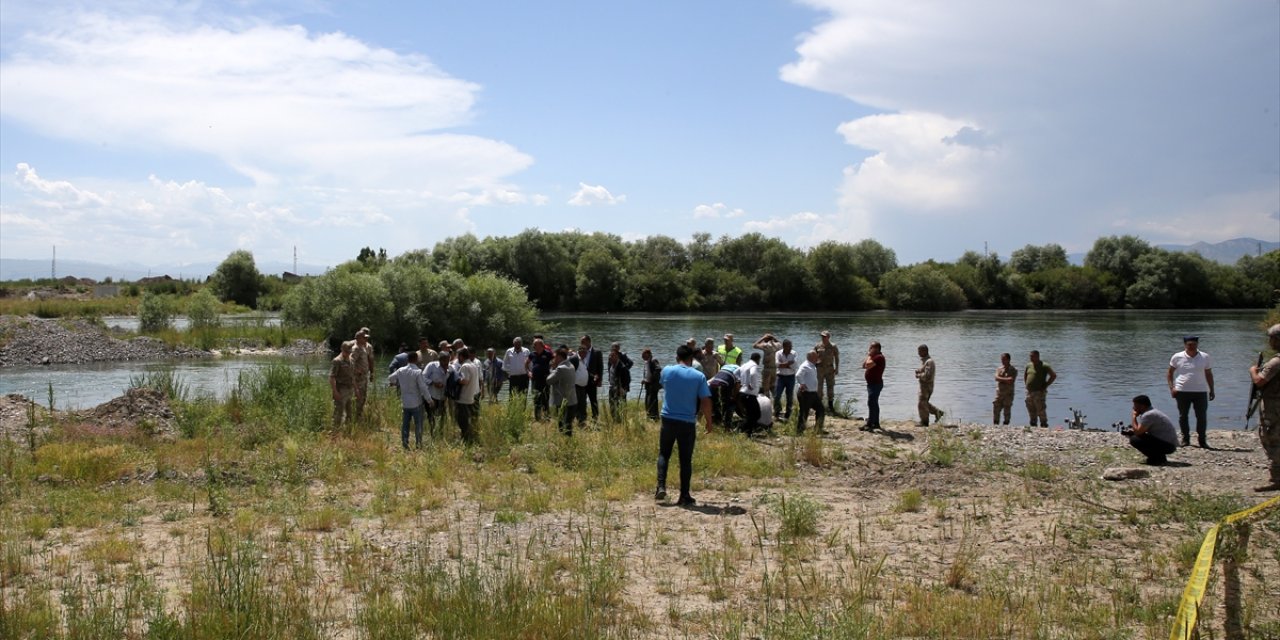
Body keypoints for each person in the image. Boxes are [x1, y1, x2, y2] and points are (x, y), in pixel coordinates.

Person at [655, 344, 712, 507]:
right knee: (685, 459)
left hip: (668, 418)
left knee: (664, 454)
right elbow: (706, 401)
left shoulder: (667, 370)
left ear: (676, 357)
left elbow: (663, 384)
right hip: (687, 422)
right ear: (692, 359)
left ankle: (660, 486)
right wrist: (709, 422)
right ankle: (684, 495)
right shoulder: (698, 376)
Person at [1247, 324, 1280, 492]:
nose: (1270, 342)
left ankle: (1277, 479)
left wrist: (1253, 371)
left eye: (1272, 338)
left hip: (1274, 407)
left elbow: (1260, 381)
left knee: (1271, 438)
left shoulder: (1276, 362)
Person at [1167, 336, 1215, 448]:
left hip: (1201, 390)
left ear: (1197, 344)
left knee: (1201, 416)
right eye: (1189, 344)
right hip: (1182, 390)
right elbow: (1169, 373)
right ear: (1185, 345)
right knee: (1183, 415)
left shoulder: (1205, 357)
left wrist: (1212, 389)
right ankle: (1185, 439)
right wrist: (1172, 387)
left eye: (1194, 344)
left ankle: (1202, 440)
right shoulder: (1177, 356)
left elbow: (1208, 374)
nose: (1191, 346)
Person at [388, 352, 431, 449]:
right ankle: (418, 444)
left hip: (405, 402)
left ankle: (405, 443)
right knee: (418, 424)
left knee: (405, 424)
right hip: (416, 402)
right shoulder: (417, 372)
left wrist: (396, 383)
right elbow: (423, 387)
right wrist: (429, 400)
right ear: (416, 359)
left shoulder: (400, 370)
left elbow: (390, 378)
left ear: (408, 359)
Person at [1127, 395, 1178, 465]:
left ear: (1142, 406)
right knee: (1135, 435)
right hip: (1168, 443)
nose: (1133, 408)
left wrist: (1134, 417)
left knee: (1134, 440)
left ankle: (1155, 458)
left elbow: (1138, 432)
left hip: (1168, 446)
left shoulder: (1148, 415)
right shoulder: (1152, 412)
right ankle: (1160, 457)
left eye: (1135, 406)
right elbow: (1141, 430)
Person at [548, 345, 579, 436]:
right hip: (572, 400)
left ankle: (566, 443)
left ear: (559, 357)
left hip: (563, 401)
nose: (554, 359)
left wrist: (553, 368)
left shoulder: (560, 368)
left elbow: (549, 380)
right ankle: (566, 443)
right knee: (568, 424)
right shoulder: (571, 365)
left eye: (555, 357)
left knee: (563, 425)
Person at [454, 347, 481, 443]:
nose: (457, 359)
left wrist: (456, 378)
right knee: (470, 418)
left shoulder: (465, 366)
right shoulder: (473, 365)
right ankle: (471, 437)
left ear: (461, 356)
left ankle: (466, 440)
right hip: (471, 396)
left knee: (462, 420)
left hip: (463, 398)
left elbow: (465, 381)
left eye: (458, 356)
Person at [1024, 350, 1057, 427]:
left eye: (1032, 356)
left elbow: (1053, 376)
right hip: (1029, 391)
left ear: (1037, 356)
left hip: (1039, 392)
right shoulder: (1029, 365)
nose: (1031, 358)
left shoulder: (1045, 366)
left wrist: (1046, 385)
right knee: (1030, 407)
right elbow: (1025, 374)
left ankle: (1044, 424)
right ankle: (1033, 423)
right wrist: (1026, 384)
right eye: (1030, 356)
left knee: (1040, 408)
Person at [349, 327, 375, 419]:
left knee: (363, 396)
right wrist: (356, 371)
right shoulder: (355, 348)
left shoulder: (365, 347)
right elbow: (350, 362)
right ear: (359, 338)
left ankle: (358, 415)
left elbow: (370, 360)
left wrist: (371, 373)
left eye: (367, 337)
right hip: (357, 378)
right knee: (357, 396)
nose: (366, 339)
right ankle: (353, 417)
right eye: (364, 337)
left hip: (364, 376)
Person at [915, 344, 944, 426]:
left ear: (925, 351)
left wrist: (918, 375)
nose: (918, 353)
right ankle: (938, 413)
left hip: (926, 386)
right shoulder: (925, 361)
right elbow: (925, 372)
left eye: (919, 351)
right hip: (924, 386)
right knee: (924, 402)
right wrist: (919, 370)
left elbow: (928, 376)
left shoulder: (929, 362)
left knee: (921, 403)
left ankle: (924, 422)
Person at [796, 350, 824, 434]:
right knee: (804, 412)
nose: (817, 358)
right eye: (816, 356)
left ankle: (818, 429)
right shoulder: (805, 365)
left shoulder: (812, 365)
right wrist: (802, 384)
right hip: (805, 393)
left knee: (821, 409)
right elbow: (798, 375)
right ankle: (799, 431)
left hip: (813, 393)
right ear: (811, 357)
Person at [329, 341, 355, 428]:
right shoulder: (337, 361)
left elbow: (352, 375)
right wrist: (335, 392)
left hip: (350, 389)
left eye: (349, 352)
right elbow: (332, 377)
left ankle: (348, 430)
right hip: (341, 389)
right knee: (338, 412)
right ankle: (335, 432)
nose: (348, 353)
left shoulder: (351, 359)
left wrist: (356, 389)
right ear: (342, 349)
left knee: (350, 412)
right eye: (347, 352)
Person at [422, 351, 449, 437]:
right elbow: (422, 377)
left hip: (443, 397)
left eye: (448, 360)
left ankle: (441, 434)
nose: (446, 363)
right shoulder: (432, 366)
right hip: (432, 396)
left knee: (442, 417)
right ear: (439, 360)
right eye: (444, 361)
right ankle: (432, 435)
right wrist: (433, 383)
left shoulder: (450, 367)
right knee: (431, 417)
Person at [737, 352, 764, 434]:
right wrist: (751, 384)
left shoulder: (744, 365)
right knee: (756, 414)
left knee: (750, 414)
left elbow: (735, 373)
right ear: (758, 359)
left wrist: (741, 382)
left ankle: (747, 431)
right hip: (750, 394)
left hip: (743, 393)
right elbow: (752, 374)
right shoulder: (754, 366)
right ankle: (742, 429)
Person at [862, 341, 886, 432]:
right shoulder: (873, 357)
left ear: (876, 348)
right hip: (871, 384)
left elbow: (868, 364)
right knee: (873, 403)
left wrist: (869, 355)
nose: (869, 349)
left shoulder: (879, 357)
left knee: (871, 402)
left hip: (876, 384)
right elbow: (864, 365)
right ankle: (875, 422)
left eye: (871, 347)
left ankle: (870, 423)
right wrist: (869, 356)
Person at [814, 331, 840, 412]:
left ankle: (830, 405)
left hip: (830, 369)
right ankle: (819, 406)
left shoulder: (833, 346)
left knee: (830, 387)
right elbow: (813, 355)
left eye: (824, 336)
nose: (823, 338)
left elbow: (836, 357)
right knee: (819, 387)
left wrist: (837, 368)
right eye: (822, 336)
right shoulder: (818, 345)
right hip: (820, 369)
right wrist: (815, 363)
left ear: (828, 337)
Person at [607, 342, 633, 420]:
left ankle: (623, 419)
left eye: (616, 347)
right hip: (612, 386)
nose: (610, 358)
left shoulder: (622, 360)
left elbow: (628, 378)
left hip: (620, 387)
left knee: (621, 404)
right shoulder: (610, 361)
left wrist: (623, 387)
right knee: (612, 403)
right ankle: (615, 419)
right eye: (613, 347)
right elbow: (610, 372)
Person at [529, 338, 554, 421]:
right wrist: (528, 372)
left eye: (535, 344)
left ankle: (547, 417)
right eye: (534, 344)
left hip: (545, 379)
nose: (534, 346)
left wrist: (551, 368)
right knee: (536, 398)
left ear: (541, 345)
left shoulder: (548, 354)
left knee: (545, 399)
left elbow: (555, 360)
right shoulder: (532, 354)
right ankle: (537, 418)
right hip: (535, 380)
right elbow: (526, 363)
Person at [580, 335, 603, 421]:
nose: (581, 343)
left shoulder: (597, 352)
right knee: (582, 400)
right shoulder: (580, 352)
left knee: (593, 400)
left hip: (592, 381)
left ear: (589, 342)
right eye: (581, 342)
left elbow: (600, 366)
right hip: (582, 380)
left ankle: (595, 418)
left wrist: (600, 380)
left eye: (583, 341)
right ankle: (582, 417)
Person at [774, 339, 797, 422]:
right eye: (789, 346)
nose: (791, 348)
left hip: (791, 377)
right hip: (780, 377)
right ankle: (777, 412)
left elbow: (794, 365)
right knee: (777, 395)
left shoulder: (794, 353)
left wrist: (782, 364)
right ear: (784, 346)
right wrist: (788, 364)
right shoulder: (778, 353)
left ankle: (788, 413)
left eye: (791, 346)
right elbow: (777, 364)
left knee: (789, 396)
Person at [993, 353, 1017, 425]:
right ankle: (996, 424)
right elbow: (996, 378)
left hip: (1008, 394)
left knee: (1007, 410)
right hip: (999, 393)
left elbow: (1011, 380)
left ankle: (1006, 424)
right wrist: (1005, 379)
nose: (1002, 361)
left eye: (1004, 359)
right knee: (996, 408)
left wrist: (1000, 379)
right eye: (1002, 359)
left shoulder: (1013, 370)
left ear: (1009, 360)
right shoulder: (999, 369)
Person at [754, 334, 781, 399]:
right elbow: (781, 344)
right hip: (775, 370)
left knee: (766, 390)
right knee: (773, 388)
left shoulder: (765, 346)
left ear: (766, 339)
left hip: (767, 369)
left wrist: (763, 337)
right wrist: (773, 338)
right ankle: (777, 405)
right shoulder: (778, 345)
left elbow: (755, 345)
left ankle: (767, 405)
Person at [641, 348, 662, 420]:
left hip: (653, 385)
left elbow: (658, 369)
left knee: (652, 401)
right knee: (647, 401)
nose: (642, 356)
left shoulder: (653, 360)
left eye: (643, 354)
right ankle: (649, 416)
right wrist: (645, 380)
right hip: (648, 385)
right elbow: (647, 373)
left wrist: (650, 380)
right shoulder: (647, 362)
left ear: (648, 354)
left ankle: (655, 418)